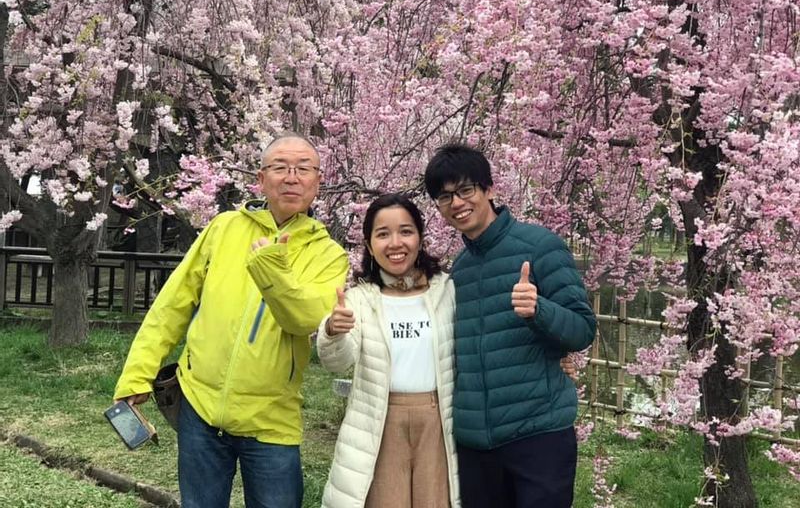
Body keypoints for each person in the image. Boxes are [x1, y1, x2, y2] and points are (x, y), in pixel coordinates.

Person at [113, 133, 349, 508]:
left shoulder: (329, 254)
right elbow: (172, 305)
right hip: (200, 407)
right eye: (280, 168)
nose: (292, 177)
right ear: (261, 178)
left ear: (318, 182)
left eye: (304, 169)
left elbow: (303, 319)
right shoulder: (224, 228)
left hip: (272, 418)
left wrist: (269, 270)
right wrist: (137, 373)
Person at [424, 143, 597, 508]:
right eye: (444, 196)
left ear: (489, 188)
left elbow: (582, 330)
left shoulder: (540, 246)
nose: (456, 203)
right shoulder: (459, 271)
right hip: (475, 443)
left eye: (466, 190)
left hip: (538, 435)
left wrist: (539, 310)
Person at [316, 193, 460, 507]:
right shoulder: (360, 299)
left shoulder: (447, 290)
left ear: (420, 238)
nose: (396, 243)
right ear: (368, 246)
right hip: (381, 421)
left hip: (438, 420)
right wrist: (332, 331)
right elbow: (338, 362)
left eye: (406, 231)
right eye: (383, 234)